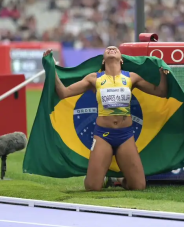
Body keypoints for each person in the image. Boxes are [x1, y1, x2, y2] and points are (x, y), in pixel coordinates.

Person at [43, 46, 170, 191]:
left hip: (125, 135)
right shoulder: (94, 79)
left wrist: (163, 74)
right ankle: (102, 177)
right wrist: (51, 68)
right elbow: (64, 93)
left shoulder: (131, 77)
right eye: (108, 49)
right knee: (92, 187)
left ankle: (118, 180)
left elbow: (160, 92)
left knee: (139, 186)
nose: (111, 48)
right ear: (103, 60)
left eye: (115, 49)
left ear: (121, 59)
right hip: (103, 135)